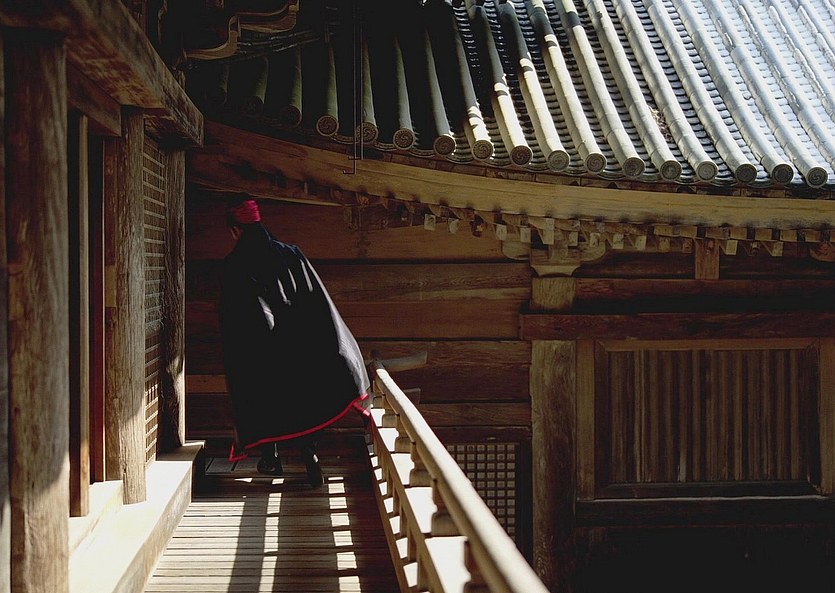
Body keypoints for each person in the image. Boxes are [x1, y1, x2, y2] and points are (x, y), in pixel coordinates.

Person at [219, 196, 370, 487]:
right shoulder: (291, 254)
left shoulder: (234, 265)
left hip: (261, 352)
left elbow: (235, 320)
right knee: (306, 398)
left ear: (235, 230)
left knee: (263, 396)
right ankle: (309, 451)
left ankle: (271, 459)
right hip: (301, 347)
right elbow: (317, 302)